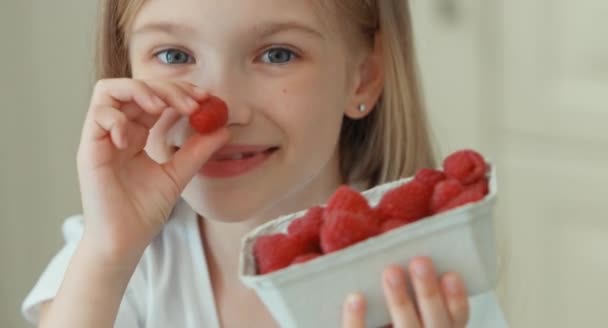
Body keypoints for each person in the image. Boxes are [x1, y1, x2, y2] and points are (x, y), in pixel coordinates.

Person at [22, 0, 508, 327]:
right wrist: (109, 252)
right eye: (173, 54)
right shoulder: (117, 266)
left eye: (277, 54)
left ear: (363, 77)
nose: (222, 111)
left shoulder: (432, 283)